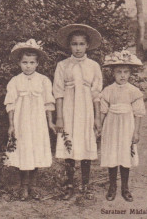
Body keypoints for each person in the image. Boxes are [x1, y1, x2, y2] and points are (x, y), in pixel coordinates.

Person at [53, 24, 103, 200]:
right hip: (68, 110)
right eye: (74, 44)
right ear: (69, 46)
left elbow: (96, 94)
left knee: (85, 143)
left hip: (86, 111)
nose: (78, 48)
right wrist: (59, 117)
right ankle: (69, 185)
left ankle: (85, 185)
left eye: (81, 44)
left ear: (87, 45)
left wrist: (97, 117)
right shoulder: (62, 65)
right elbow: (58, 93)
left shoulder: (94, 66)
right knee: (70, 145)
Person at [4, 39, 56, 201]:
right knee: (24, 150)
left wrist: (50, 122)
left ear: (37, 63)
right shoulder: (15, 81)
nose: (28, 66)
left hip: (38, 121)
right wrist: (11, 125)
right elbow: (10, 104)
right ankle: (23, 187)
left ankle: (33, 185)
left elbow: (48, 103)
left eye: (32, 62)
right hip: (22, 122)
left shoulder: (43, 80)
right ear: (19, 63)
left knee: (36, 151)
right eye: (25, 62)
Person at [100, 50, 145, 202]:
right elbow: (103, 110)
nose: (122, 75)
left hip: (127, 125)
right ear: (113, 73)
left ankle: (125, 188)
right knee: (112, 155)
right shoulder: (108, 91)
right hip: (111, 125)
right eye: (119, 72)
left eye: (126, 72)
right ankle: (112, 187)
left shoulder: (134, 91)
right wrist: (99, 126)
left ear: (130, 73)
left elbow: (138, 113)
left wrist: (136, 132)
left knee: (125, 155)